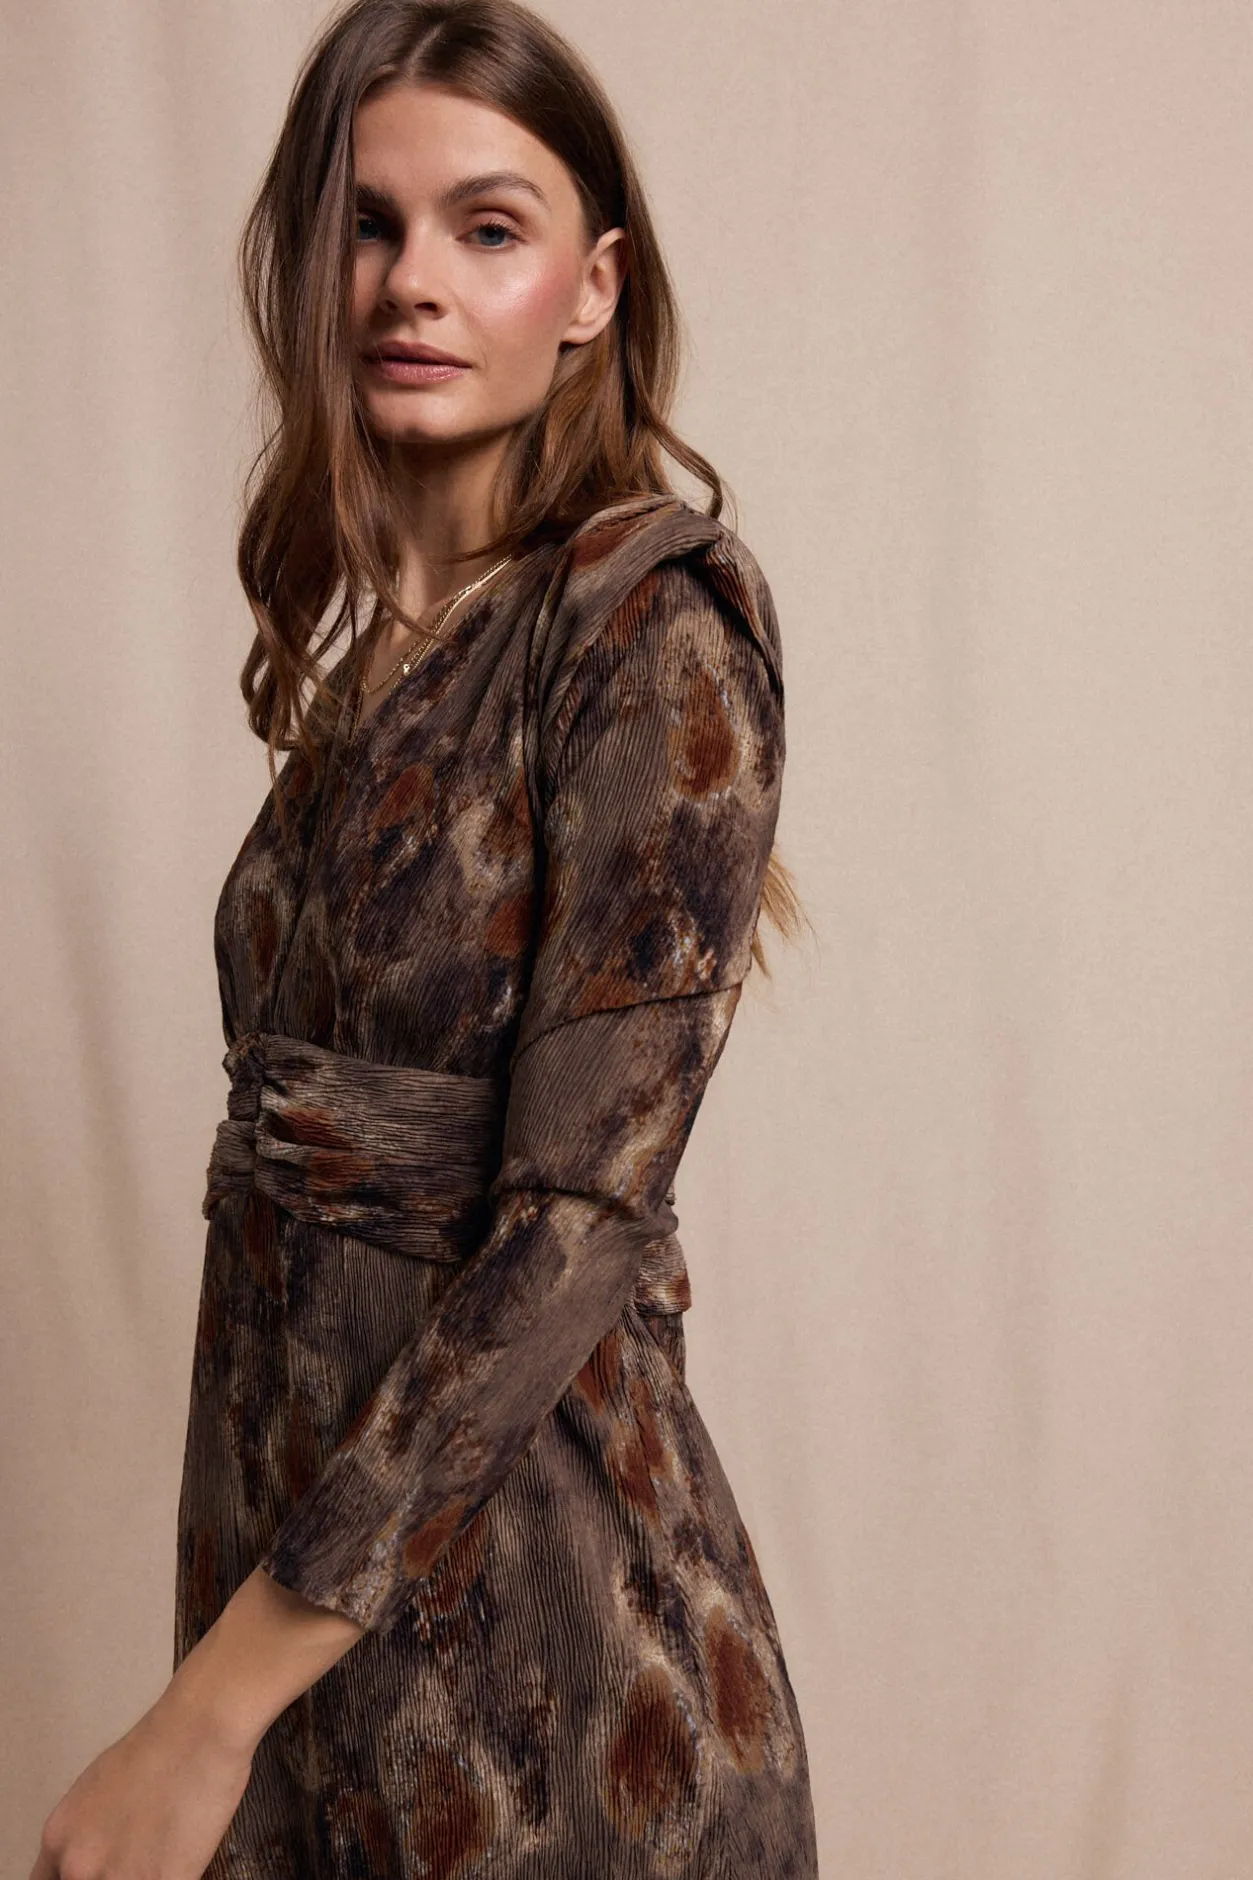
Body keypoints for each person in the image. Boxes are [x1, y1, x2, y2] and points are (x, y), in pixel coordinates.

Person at [31, 2, 820, 1875]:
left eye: (488, 227)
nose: (413, 281)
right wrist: (230, 1699)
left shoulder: (649, 619)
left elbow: (577, 1224)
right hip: (311, 1662)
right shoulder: (377, 665)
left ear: (590, 287)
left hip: (564, 1680)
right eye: (369, 226)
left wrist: (206, 1711)